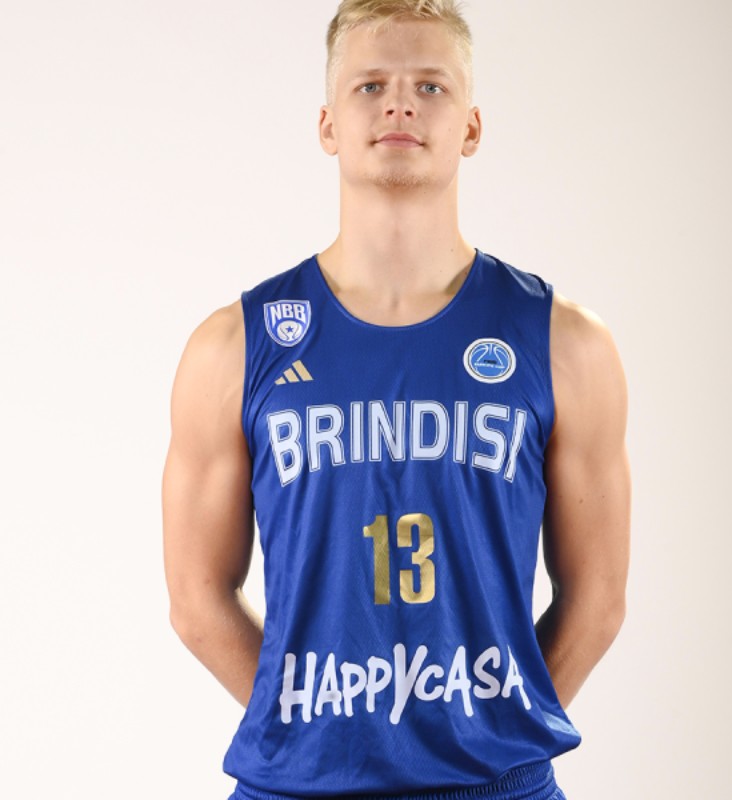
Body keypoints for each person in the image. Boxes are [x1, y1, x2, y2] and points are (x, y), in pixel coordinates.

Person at [162, 1, 631, 798]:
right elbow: (195, 598)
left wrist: (485, 733)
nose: (400, 105)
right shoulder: (234, 347)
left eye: (431, 87)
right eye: (371, 85)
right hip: (298, 783)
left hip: (494, 784)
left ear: (472, 127)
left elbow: (599, 600)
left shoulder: (565, 343)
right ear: (328, 124)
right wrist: (316, 729)